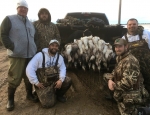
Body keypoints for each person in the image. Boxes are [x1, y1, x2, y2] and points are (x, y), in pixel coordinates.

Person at [0, 0, 38, 111]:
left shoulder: (30, 23)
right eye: (21, 7)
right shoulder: (9, 19)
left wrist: (34, 47)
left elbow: (34, 38)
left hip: (30, 55)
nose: (23, 9)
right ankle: (10, 100)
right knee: (14, 77)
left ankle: (29, 95)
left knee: (29, 76)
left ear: (27, 10)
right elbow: (3, 34)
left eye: (25, 8)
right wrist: (11, 46)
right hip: (17, 55)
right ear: (17, 9)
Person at [103, 38, 149, 115]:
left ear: (126, 47)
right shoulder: (120, 58)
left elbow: (128, 82)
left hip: (132, 91)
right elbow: (115, 72)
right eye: (116, 47)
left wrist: (113, 85)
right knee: (106, 76)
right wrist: (110, 79)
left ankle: (143, 110)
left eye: (120, 46)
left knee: (127, 112)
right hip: (123, 87)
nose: (117, 49)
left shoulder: (130, 61)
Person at [26, 39, 72, 108]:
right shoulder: (40, 56)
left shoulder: (59, 57)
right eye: (52, 45)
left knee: (68, 80)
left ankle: (59, 95)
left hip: (55, 81)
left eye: (56, 46)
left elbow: (63, 69)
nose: (54, 47)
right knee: (48, 104)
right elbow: (29, 69)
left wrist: (61, 80)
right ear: (49, 46)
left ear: (58, 48)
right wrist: (36, 82)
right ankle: (39, 92)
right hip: (43, 84)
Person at [122, 18, 150, 94]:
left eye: (134, 24)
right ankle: (142, 98)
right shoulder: (124, 38)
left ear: (137, 25)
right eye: (130, 24)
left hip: (147, 64)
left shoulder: (146, 33)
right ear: (127, 26)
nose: (132, 26)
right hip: (134, 65)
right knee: (137, 82)